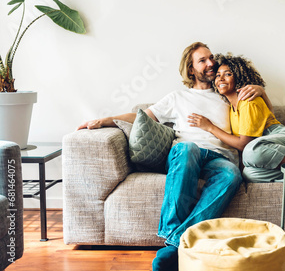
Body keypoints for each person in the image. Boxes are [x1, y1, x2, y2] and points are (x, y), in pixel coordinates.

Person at [77, 42, 271, 271]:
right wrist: (104, 120)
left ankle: (175, 242)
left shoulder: (225, 93)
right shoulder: (177, 97)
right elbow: (141, 117)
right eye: (202, 61)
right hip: (186, 152)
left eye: (211, 58)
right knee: (187, 149)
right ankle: (176, 239)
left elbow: (261, 109)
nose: (211, 63)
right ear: (191, 70)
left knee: (231, 175)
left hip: (219, 157)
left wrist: (260, 89)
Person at [188, 53, 285, 182]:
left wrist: (210, 127)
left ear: (238, 77)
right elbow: (269, 113)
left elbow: (244, 144)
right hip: (265, 150)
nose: (221, 78)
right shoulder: (231, 108)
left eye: (227, 74)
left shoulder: (247, 101)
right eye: (217, 75)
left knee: (250, 151)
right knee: (248, 174)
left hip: (284, 141)